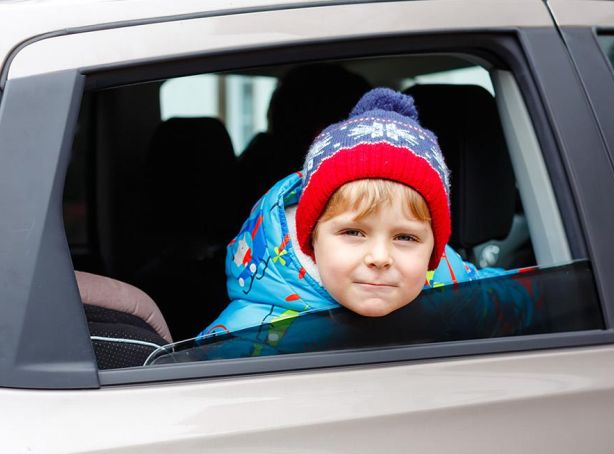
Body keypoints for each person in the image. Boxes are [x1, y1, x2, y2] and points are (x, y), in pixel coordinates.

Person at [201, 87, 533, 341]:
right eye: (353, 232)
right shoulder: (246, 336)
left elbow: (517, 300)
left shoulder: (449, 287)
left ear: (433, 248)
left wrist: (558, 290)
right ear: (311, 238)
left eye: (405, 237)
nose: (379, 258)